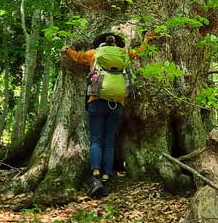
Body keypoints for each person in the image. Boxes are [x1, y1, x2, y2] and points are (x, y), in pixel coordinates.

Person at [61, 31, 154, 197]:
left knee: (96, 139)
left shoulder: (94, 54)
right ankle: (106, 176)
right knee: (109, 141)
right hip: (116, 104)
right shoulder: (123, 54)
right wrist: (146, 39)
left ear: (100, 43)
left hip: (95, 101)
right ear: (116, 44)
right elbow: (139, 52)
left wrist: (67, 50)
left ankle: (95, 175)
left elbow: (77, 57)